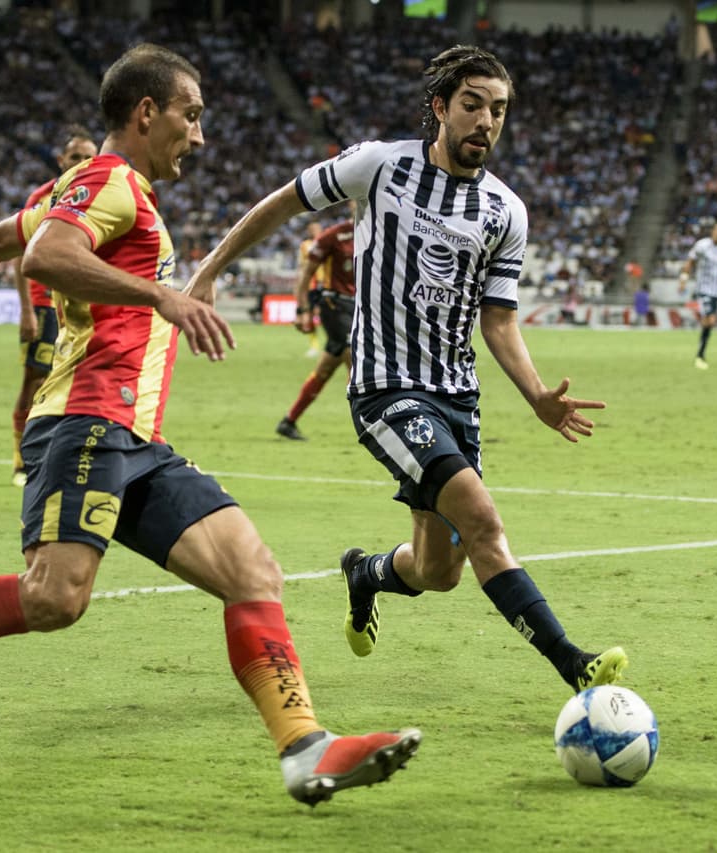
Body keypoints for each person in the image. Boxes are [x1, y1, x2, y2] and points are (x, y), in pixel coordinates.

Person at [0, 44, 421, 807]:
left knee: (253, 572)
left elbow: (3, 237)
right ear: (146, 113)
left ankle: (303, 746)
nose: (200, 135)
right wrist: (163, 298)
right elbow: (46, 255)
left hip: (136, 438)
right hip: (83, 419)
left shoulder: (99, 189)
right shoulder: (111, 180)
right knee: (55, 598)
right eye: (191, 115)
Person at [186, 45, 627, 697]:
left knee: (438, 569)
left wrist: (536, 394)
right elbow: (284, 202)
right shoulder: (380, 167)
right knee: (482, 519)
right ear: (441, 107)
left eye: (498, 110)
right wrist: (208, 270)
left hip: (457, 399)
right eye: (472, 105)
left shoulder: (507, 213)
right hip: (386, 391)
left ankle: (365, 573)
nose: (485, 122)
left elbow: (498, 320)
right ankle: (574, 664)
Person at [10, 125, 99, 487]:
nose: (81, 162)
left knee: (75, 382)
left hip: (82, 306)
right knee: (35, 379)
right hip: (44, 304)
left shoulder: (100, 196)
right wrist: (27, 310)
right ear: (61, 160)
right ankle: (21, 459)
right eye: (75, 157)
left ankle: (61, 456)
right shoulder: (44, 197)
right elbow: (20, 254)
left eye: (87, 157)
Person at [276, 213, 355, 441]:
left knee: (326, 368)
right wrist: (302, 310)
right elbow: (305, 273)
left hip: (358, 307)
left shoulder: (377, 231)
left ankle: (289, 420)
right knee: (357, 359)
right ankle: (371, 425)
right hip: (334, 304)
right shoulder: (333, 236)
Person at [678, 221, 717, 369]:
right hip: (702, 288)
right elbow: (690, 262)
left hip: (716, 291)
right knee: (710, 320)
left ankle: (701, 352)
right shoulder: (702, 246)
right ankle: (700, 355)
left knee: (710, 321)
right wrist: (683, 280)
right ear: (713, 232)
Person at [297, 221, 329, 358]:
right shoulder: (305, 245)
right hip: (311, 285)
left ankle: (332, 343)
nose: (313, 231)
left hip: (326, 283)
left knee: (327, 315)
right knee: (309, 316)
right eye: (311, 229)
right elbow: (302, 265)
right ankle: (314, 346)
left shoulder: (328, 241)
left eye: (315, 228)